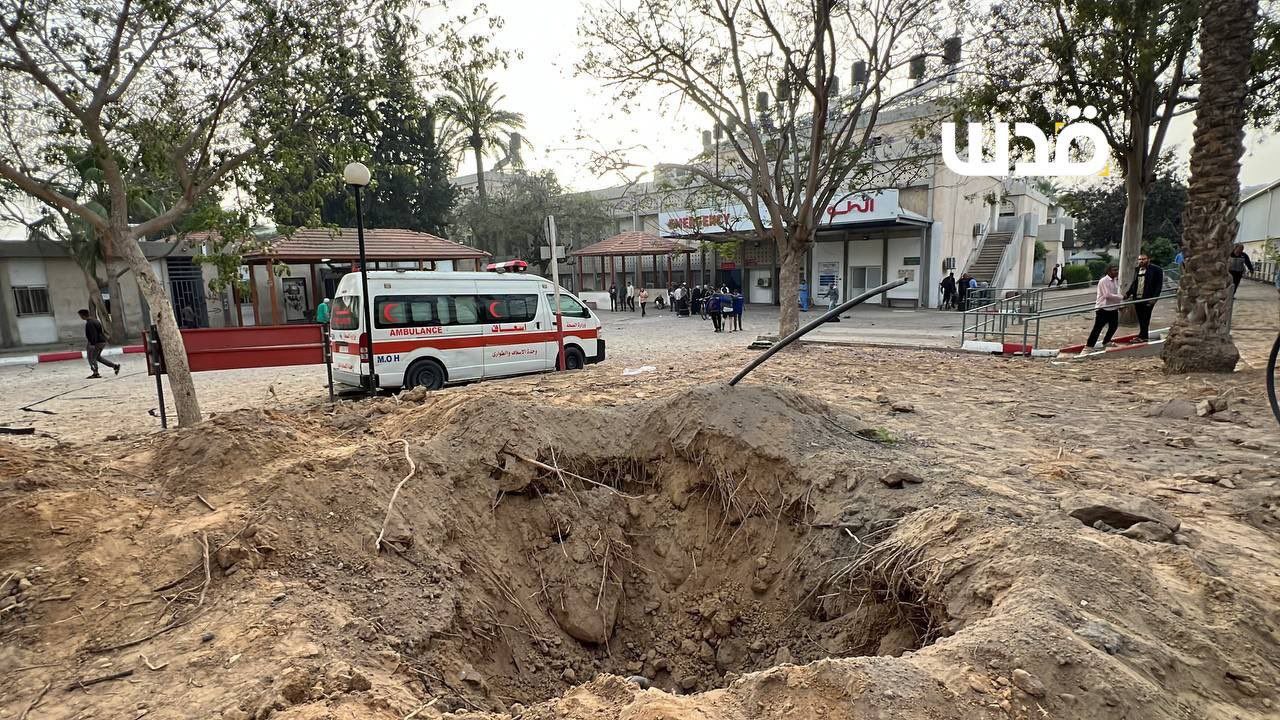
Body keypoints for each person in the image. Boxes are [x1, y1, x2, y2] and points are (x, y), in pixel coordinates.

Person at [1124, 253, 1164, 342]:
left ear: (1148, 259)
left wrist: (1154, 298)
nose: (1141, 261)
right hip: (1137, 298)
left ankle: (1142, 337)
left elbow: (1158, 286)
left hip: (1148, 298)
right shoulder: (1137, 269)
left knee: (1145, 318)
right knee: (1140, 318)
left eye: (1143, 259)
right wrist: (1128, 294)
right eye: (1140, 259)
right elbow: (1134, 283)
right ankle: (1143, 336)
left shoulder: (1157, 270)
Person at [1084, 265, 1124, 352]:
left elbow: (1115, 293)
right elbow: (1107, 295)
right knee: (1097, 328)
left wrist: (1119, 305)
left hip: (1112, 308)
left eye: (1117, 270)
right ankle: (1089, 346)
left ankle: (1106, 341)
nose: (1116, 272)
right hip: (1103, 308)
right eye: (1114, 270)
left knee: (1114, 326)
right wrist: (1121, 297)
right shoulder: (1104, 281)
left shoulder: (1115, 280)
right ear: (1109, 271)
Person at [79, 309, 119, 379]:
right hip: (101, 341)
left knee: (91, 358)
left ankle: (95, 373)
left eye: (80, 315)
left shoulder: (89, 323)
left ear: (83, 315)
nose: (80, 317)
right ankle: (115, 366)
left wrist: (92, 344)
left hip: (96, 343)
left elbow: (93, 334)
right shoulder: (95, 320)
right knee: (98, 357)